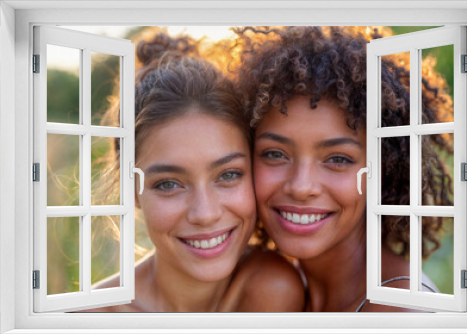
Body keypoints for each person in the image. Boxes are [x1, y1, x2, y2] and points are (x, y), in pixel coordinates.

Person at [233, 26, 453, 312]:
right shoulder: (275, 290)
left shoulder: (403, 312)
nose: (301, 187)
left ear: (383, 170)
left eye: (338, 159)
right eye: (275, 154)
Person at [82, 32, 304, 312]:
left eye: (228, 175)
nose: (205, 214)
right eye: (168, 184)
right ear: (133, 190)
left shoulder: (270, 288)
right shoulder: (90, 317)